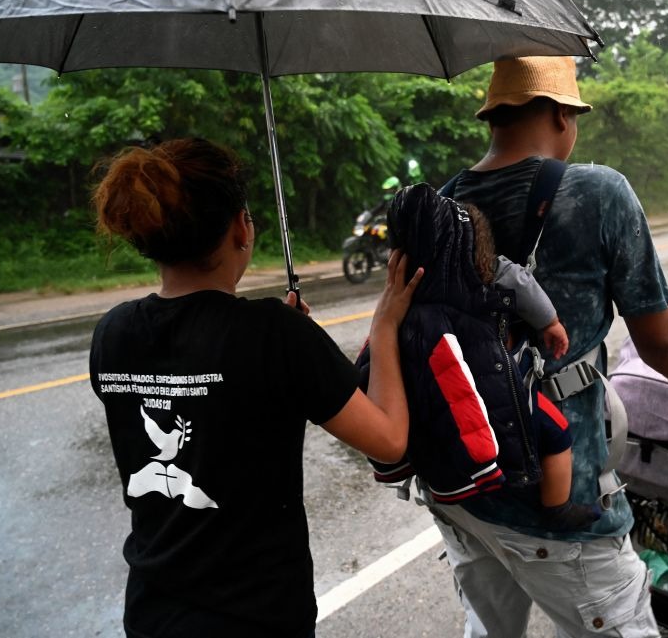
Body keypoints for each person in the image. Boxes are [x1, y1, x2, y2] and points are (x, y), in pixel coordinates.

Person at [88, 137, 421, 638]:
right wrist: (385, 326)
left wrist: (284, 352)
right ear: (241, 228)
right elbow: (390, 439)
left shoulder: (112, 332)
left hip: (153, 612)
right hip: (259, 614)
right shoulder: (273, 334)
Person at [433, 56, 668, 638]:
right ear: (560, 114)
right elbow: (658, 338)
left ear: (494, 118)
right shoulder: (599, 192)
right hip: (560, 503)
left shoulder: (444, 201)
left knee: (488, 627)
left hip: (463, 487)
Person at [362, 183, 601, 531]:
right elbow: (520, 281)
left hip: (438, 431)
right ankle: (557, 507)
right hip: (494, 393)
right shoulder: (485, 275)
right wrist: (551, 323)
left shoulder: (401, 301)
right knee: (558, 433)